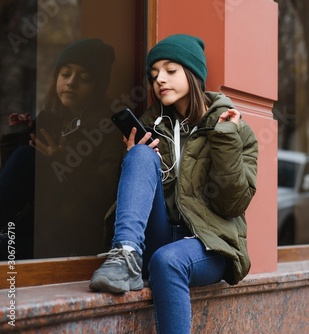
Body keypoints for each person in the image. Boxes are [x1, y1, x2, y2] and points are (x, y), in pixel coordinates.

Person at [89, 34, 259, 334]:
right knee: (141, 153)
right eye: (154, 75)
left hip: (210, 244)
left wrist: (225, 140)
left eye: (170, 70)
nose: (159, 80)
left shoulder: (233, 127)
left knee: (167, 262)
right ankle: (126, 253)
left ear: (192, 74)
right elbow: (134, 195)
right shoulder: (150, 124)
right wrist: (132, 159)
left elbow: (233, 203)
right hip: (158, 236)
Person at [0, 38, 123, 258]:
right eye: (65, 74)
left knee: (28, 156)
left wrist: (64, 160)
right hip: (34, 226)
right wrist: (17, 135)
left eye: (84, 78)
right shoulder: (51, 119)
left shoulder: (109, 127)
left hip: (75, 236)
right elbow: (15, 185)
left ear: (98, 86)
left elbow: (104, 193)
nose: (71, 83)